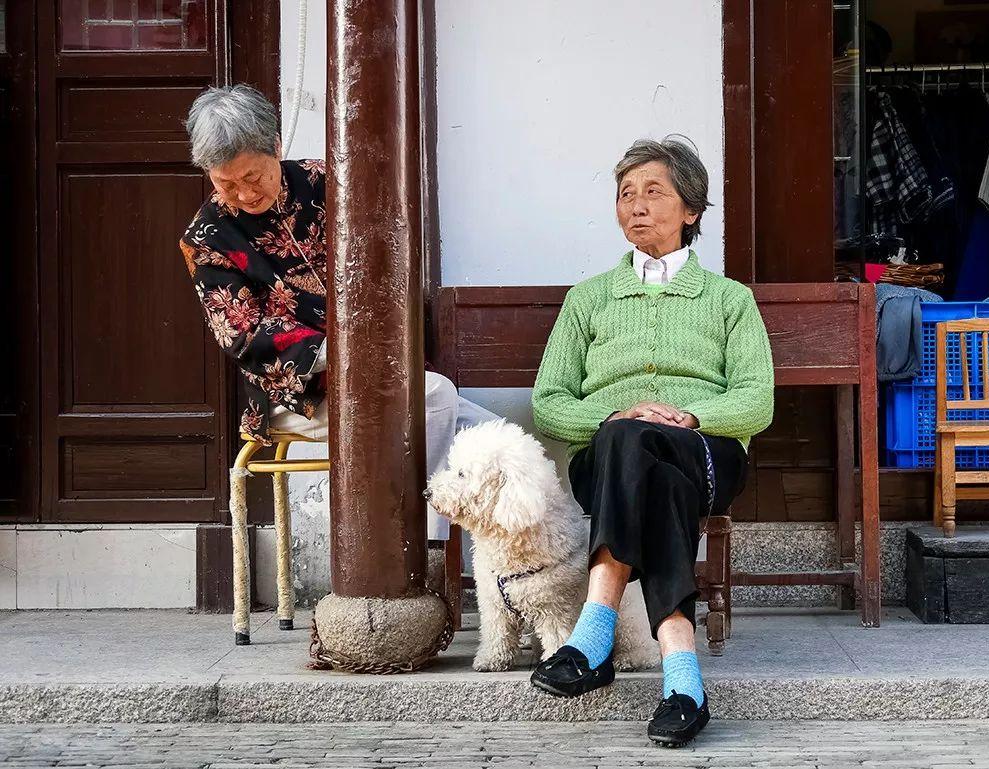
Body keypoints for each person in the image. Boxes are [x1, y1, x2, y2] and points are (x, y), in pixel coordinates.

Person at [529, 137, 774, 747]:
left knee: (647, 449)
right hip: (609, 462)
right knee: (634, 447)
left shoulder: (730, 300)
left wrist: (690, 416)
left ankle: (593, 636)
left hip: (704, 454)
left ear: (691, 210)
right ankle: (682, 680)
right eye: (625, 194)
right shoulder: (587, 300)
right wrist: (616, 415)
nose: (636, 205)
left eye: (653, 192)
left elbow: (756, 400)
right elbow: (549, 401)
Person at [179, 85, 496, 540]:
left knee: (496, 439)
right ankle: (422, 546)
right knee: (434, 396)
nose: (245, 194)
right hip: (297, 392)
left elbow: (386, 259)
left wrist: (378, 349)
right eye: (226, 184)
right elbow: (242, 333)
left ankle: (499, 565)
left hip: (384, 371)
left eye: (253, 176)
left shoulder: (328, 182)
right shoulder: (206, 237)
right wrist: (344, 351)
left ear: (276, 146)